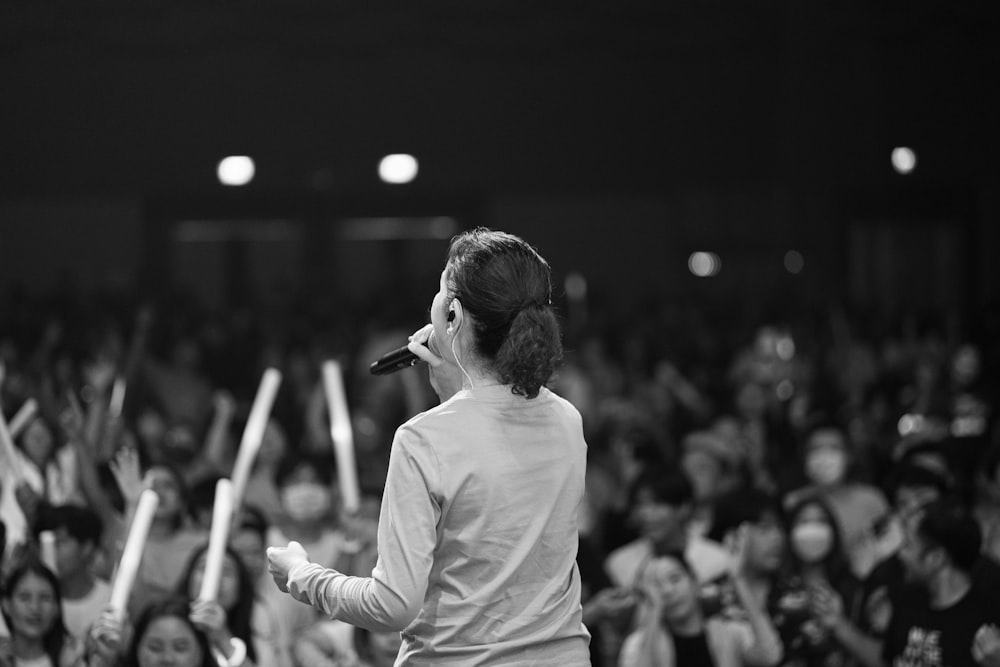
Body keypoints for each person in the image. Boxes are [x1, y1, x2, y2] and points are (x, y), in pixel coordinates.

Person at [267, 228, 591, 665]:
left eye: (440, 292)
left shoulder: (424, 439)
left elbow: (392, 605)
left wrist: (300, 575)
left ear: (453, 314)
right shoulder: (566, 418)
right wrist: (456, 395)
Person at [618, 544, 782, 667]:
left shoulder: (730, 632)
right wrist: (654, 611)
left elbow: (770, 656)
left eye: (674, 579)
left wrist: (739, 579)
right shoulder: (640, 642)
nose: (667, 591)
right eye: (656, 586)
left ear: (695, 582)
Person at [32, 505, 112, 644]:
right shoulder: (34, 599)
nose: (50, 552)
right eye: (45, 544)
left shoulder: (110, 599)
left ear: (86, 547)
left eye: (59, 542)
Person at [0, 557, 82, 667]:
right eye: (24, 597)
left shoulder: (73, 660)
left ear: (56, 608)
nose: (35, 608)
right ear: (6, 605)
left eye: (45, 598)